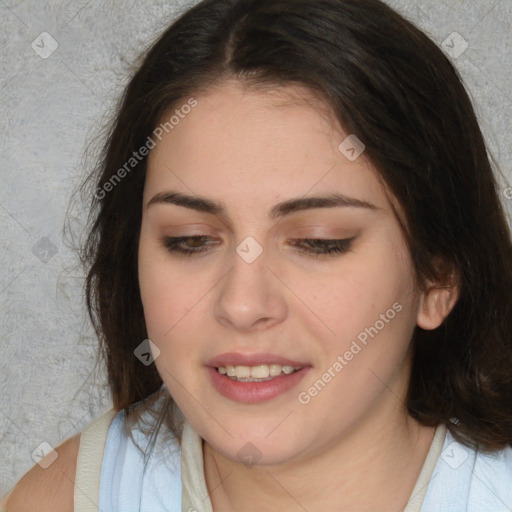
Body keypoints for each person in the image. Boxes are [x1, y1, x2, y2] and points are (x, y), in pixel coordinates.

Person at [3, 0, 512, 510]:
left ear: (438, 278)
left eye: (319, 241)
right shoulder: (62, 498)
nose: (243, 305)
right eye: (189, 240)